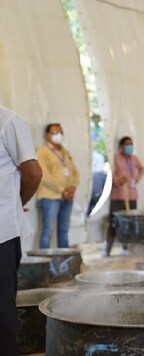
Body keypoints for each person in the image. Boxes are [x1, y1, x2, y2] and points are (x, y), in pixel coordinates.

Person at [0, 107, 42, 355]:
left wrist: (17, 202)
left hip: (1, 235)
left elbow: (33, 173)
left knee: (2, 312)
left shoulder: (8, 121)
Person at [36, 123, 79, 248]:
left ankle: (64, 263)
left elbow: (75, 172)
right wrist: (62, 191)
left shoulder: (65, 152)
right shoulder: (42, 152)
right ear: (46, 135)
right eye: (54, 132)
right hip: (50, 197)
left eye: (60, 132)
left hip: (68, 197)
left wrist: (72, 188)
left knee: (64, 230)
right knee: (47, 231)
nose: (58, 135)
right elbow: (43, 176)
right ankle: (44, 263)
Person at [104, 136, 144, 256]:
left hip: (131, 195)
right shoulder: (115, 158)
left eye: (131, 144)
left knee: (130, 222)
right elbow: (111, 173)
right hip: (118, 195)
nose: (129, 147)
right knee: (114, 222)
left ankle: (127, 247)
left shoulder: (134, 159)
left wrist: (136, 179)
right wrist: (117, 180)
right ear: (121, 146)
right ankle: (108, 249)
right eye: (127, 144)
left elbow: (141, 169)